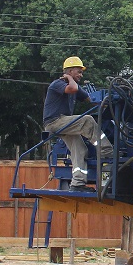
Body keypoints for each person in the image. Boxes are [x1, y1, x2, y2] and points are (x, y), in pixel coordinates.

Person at [43, 56, 113, 191]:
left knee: (80, 149)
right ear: (69, 72)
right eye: (78, 71)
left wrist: (106, 103)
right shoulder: (58, 84)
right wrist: (68, 78)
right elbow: (73, 89)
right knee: (87, 120)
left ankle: (77, 184)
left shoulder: (74, 86)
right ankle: (106, 150)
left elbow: (90, 99)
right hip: (55, 121)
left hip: (64, 123)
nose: (81, 75)